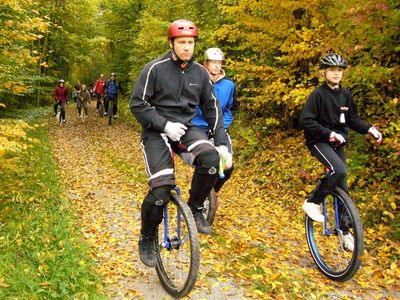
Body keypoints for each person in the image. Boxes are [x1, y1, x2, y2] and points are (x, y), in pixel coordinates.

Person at [130, 19, 231, 267]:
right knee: (162, 188)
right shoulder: (155, 69)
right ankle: (147, 236)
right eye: (182, 42)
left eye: (191, 42)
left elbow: (212, 108)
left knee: (211, 160)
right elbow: (137, 104)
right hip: (156, 131)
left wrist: (221, 143)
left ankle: (196, 208)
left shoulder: (200, 73)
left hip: (187, 129)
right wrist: (164, 125)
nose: (187, 47)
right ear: (171, 43)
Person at [299, 53, 383, 251]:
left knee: (342, 185)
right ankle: (312, 202)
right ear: (324, 72)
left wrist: (369, 128)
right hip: (319, 141)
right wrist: (329, 133)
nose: (336, 74)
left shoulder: (346, 95)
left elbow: (353, 119)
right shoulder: (318, 95)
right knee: (340, 170)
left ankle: (344, 231)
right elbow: (306, 120)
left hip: (338, 144)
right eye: (332, 70)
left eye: (339, 70)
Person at [191, 47, 238, 198]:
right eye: (213, 62)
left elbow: (231, 108)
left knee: (228, 165)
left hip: (219, 129)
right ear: (206, 64)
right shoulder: (197, 82)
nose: (217, 66)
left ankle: (214, 192)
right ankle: (196, 195)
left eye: (219, 63)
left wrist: (223, 125)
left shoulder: (229, 85)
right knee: (206, 162)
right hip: (198, 128)